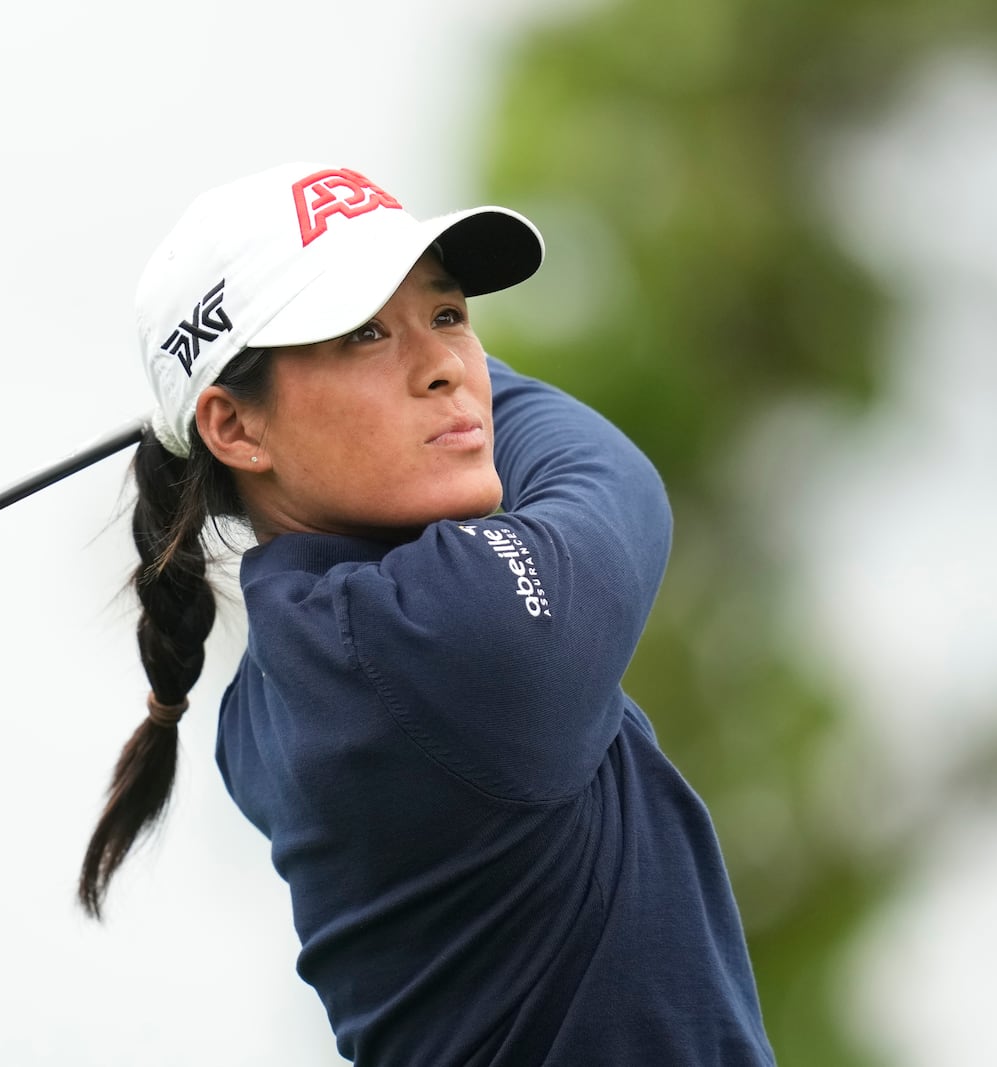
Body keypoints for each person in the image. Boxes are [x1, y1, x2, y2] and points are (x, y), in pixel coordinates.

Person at [80, 162, 775, 1066]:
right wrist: (464, 388)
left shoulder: (270, 687)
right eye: (364, 333)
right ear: (237, 430)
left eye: (449, 315)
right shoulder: (440, 639)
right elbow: (609, 476)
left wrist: (412, 375)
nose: (445, 366)